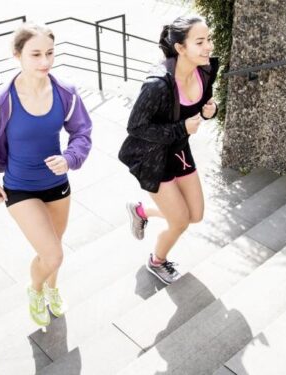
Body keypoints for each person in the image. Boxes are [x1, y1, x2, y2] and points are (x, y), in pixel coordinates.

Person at [0, 22, 93, 327]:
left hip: (57, 185)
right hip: (20, 188)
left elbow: (82, 132)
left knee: (55, 247)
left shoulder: (66, 93)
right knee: (51, 254)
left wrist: (70, 158)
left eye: (50, 53)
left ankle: (52, 288)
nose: (45, 62)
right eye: (35, 54)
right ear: (17, 55)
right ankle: (35, 290)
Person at [118, 15, 218, 285]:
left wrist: (210, 111)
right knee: (181, 222)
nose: (209, 46)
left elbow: (200, 105)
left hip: (179, 151)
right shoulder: (157, 84)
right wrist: (181, 129)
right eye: (200, 42)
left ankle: (142, 212)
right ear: (180, 48)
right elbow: (136, 127)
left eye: (208, 39)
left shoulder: (206, 69)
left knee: (194, 215)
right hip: (153, 158)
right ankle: (157, 261)